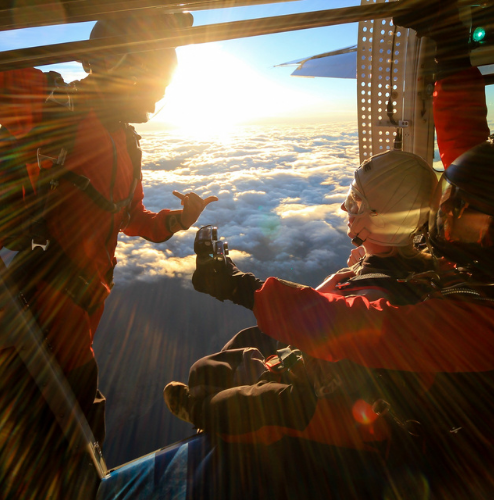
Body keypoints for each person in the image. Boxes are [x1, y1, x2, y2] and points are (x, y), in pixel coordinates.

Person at [186, 5, 494, 497]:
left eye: (454, 210)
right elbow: (471, 154)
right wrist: (453, 50)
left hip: (449, 459)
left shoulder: (480, 318)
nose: (445, 211)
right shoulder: (478, 257)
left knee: (248, 403)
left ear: (485, 236)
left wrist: (245, 288)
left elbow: (370, 329)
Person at [0, 11, 217, 497]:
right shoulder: (56, 106)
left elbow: (128, 216)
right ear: (120, 66)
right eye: (157, 81)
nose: (160, 98)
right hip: (28, 335)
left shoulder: (125, 142)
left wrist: (178, 220)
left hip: (76, 333)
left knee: (76, 468)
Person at [164, 149, 438, 499]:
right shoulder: (387, 265)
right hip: (334, 371)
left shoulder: (375, 289)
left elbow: (322, 335)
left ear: (382, 217)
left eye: (355, 202)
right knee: (252, 339)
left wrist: (239, 286)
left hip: (343, 414)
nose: (344, 208)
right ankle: (216, 391)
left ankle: (201, 408)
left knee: (242, 403)